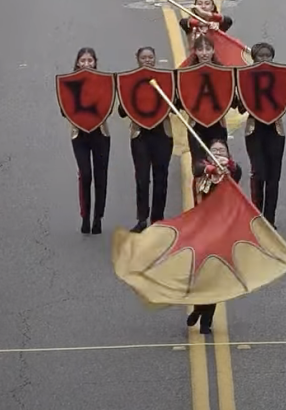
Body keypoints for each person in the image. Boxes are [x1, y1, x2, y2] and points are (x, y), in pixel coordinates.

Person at [187, 137, 242, 335]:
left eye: (222, 151)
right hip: (201, 234)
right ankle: (197, 308)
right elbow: (197, 169)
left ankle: (205, 321)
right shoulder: (202, 171)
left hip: (222, 235)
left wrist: (228, 167)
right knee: (202, 279)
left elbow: (238, 172)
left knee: (216, 280)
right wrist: (213, 168)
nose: (218, 153)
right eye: (215, 151)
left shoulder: (230, 176)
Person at [239, 42, 286, 227]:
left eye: (267, 56)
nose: (264, 60)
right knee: (258, 173)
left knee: (273, 177)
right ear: (254, 59)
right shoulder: (245, 78)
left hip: (275, 131)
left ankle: (270, 219)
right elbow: (239, 107)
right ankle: (256, 215)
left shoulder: (281, 78)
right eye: (260, 56)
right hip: (254, 130)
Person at [120, 46, 174, 232]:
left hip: (162, 134)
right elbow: (121, 110)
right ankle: (142, 218)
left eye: (151, 57)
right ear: (137, 59)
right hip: (140, 135)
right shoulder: (130, 80)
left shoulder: (165, 80)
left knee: (161, 177)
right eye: (144, 57)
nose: (148, 60)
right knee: (142, 178)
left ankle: (158, 218)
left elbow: (175, 105)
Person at [63, 47, 110, 234]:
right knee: (86, 175)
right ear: (77, 63)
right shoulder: (69, 84)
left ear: (95, 62)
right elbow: (63, 109)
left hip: (101, 134)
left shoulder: (104, 82)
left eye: (90, 60)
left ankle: (98, 217)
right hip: (79, 135)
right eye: (83, 61)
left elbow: (108, 107)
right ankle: (85, 216)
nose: (86, 64)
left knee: (101, 177)